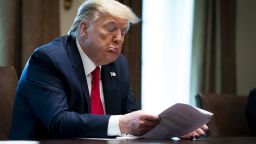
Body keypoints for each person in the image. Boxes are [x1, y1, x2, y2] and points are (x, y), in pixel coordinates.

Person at [9, 0, 207, 139]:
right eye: (111, 29)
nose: (119, 38)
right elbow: (58, 122)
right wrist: (122, 124)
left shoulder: (118, 64)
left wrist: (171, 129)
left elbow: (131, 115)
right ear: (84, 29)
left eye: (123, 31)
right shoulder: (48, 59)